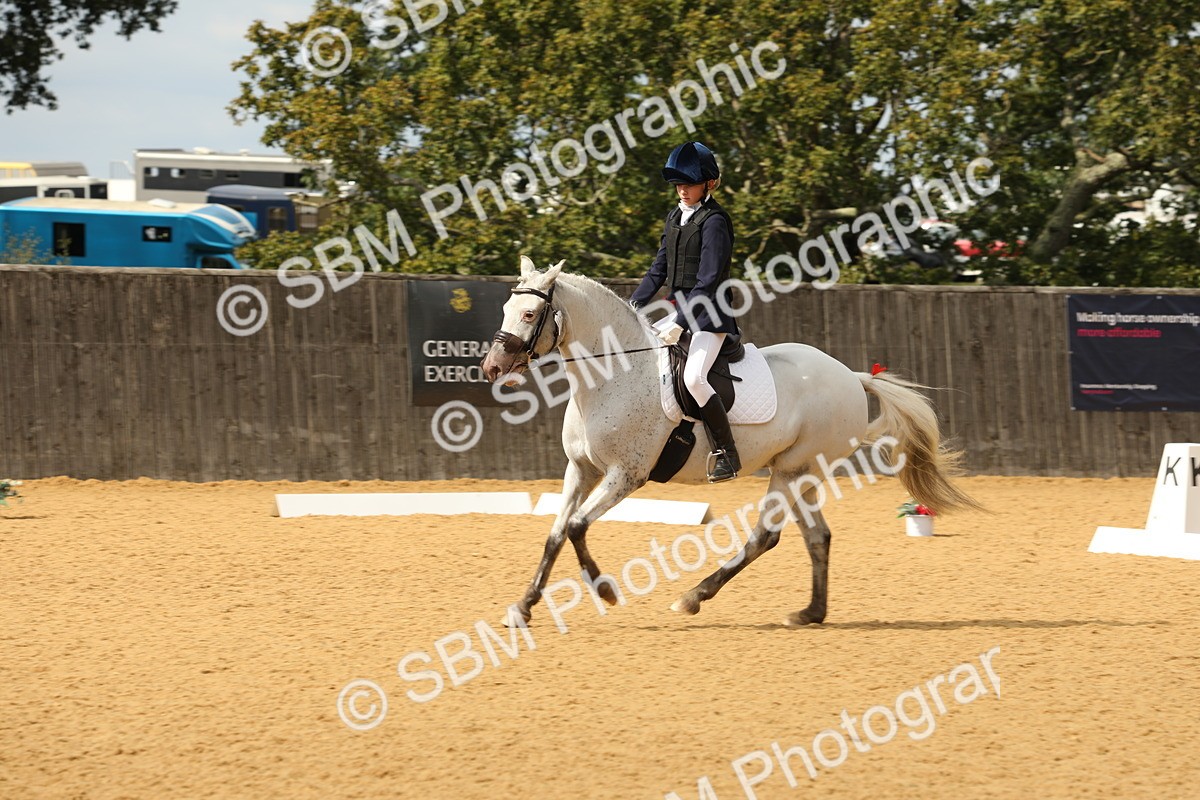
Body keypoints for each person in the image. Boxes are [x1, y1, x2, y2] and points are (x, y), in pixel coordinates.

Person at [630, 140, 742, 483]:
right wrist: (632, 305)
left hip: (710, 315)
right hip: (679, 309)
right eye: (678, 183)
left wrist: (680, 322)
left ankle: (727, 454)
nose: (682, 190)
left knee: (694, 377)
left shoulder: (715, 221)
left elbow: (708, 281)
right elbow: (658, 270)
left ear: (708, 183)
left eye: (689, 184)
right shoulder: (674, 217)